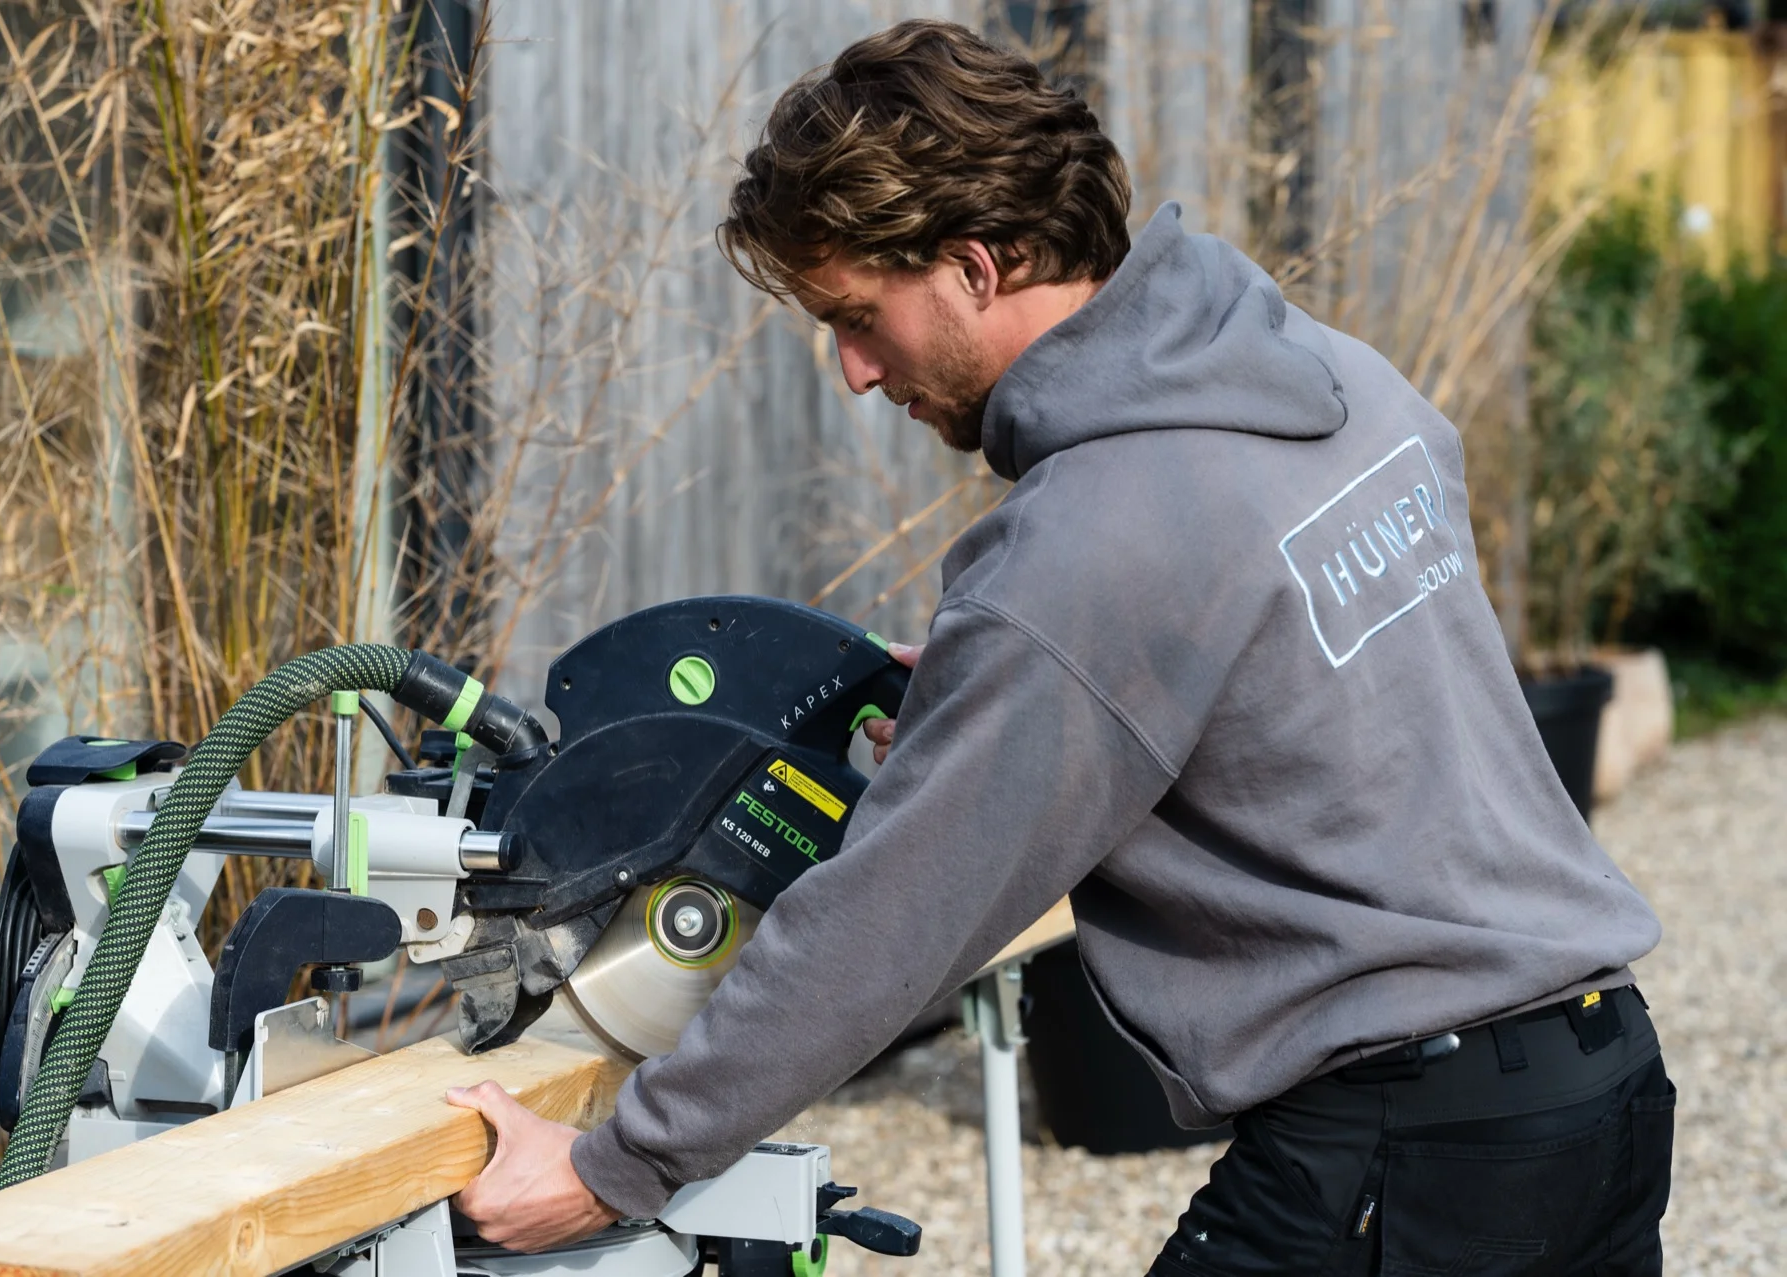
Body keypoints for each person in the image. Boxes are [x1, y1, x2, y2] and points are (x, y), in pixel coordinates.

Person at [446, 19, 1673, 1273]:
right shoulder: (1332, 376)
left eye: (860, 316)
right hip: (1604, 1083)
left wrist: (614, 1166)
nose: (857, 373)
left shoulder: (1087, 548)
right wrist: (1032, 690)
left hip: (1412, 1146)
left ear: (980, 263)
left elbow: (890, 923)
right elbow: (1311, 673)